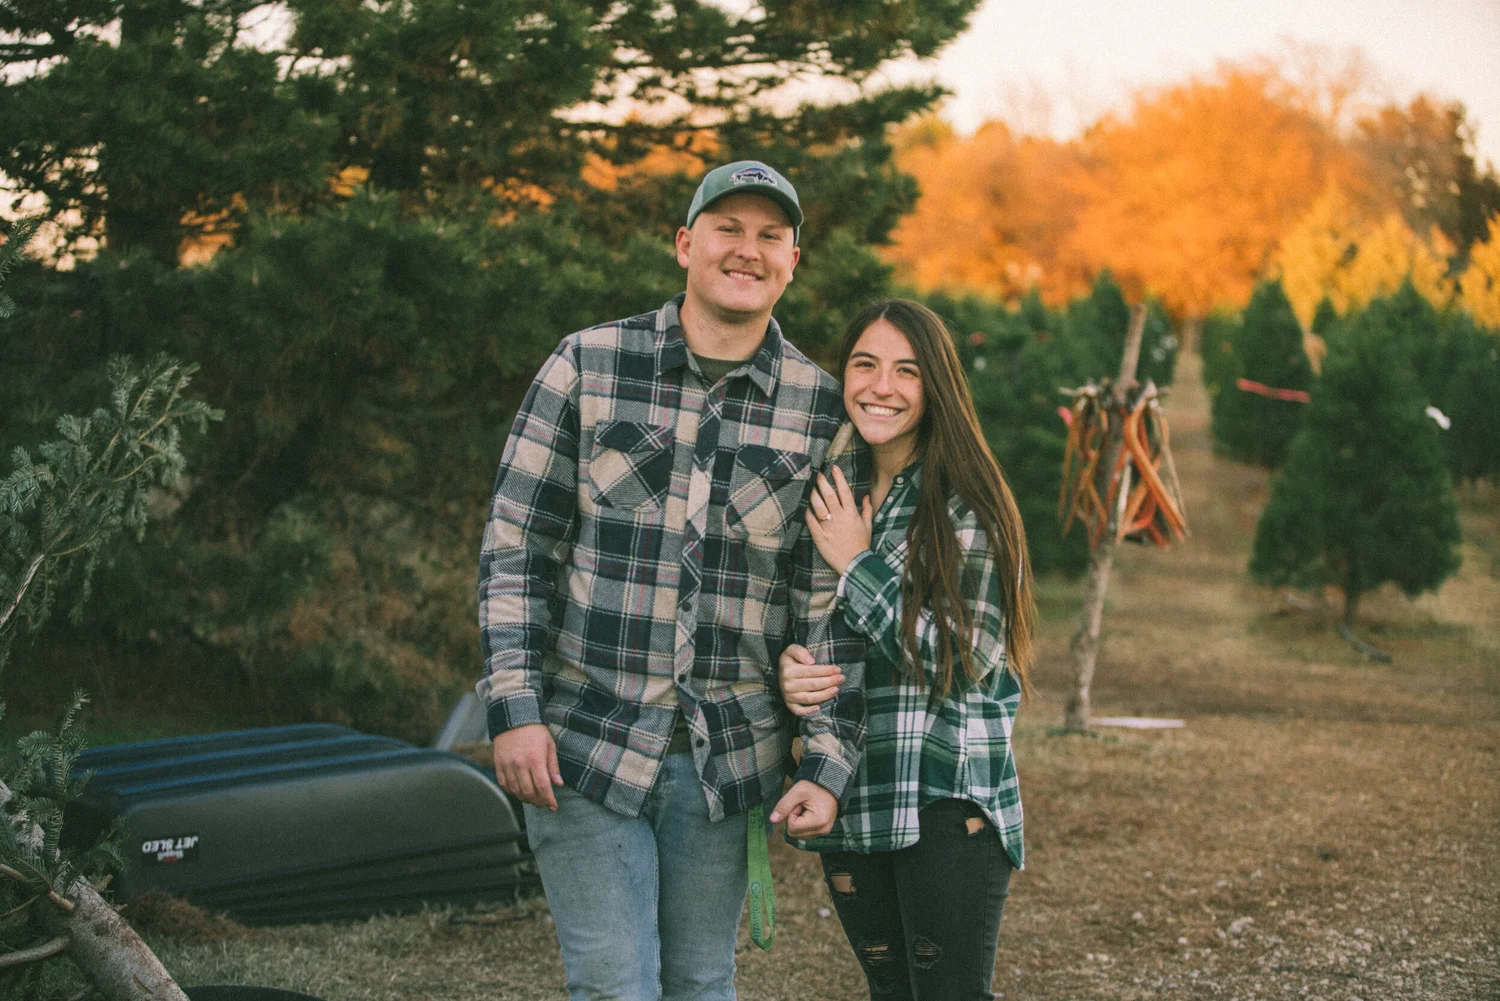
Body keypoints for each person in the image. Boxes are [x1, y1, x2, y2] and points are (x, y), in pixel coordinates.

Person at [477, 160, 868, 1001]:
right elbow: (517, 546)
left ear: (794, 262)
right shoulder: (586, 364)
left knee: (699, 982)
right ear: (685, 243)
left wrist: (826, 757)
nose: (748, 250)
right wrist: (513, 712)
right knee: (616, 986)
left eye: (771, 236)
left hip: (726, 763)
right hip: (582, 740)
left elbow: (823, 609)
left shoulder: (819, 409)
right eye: (729, 228)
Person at [779, 298, 1036, 1001]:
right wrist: (789, 669)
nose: (880, 387)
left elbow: (968, 658)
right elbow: (808, 624)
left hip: (944, 801)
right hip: (857, 795)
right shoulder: (837, 489)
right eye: (864, 365)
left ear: (936, 386)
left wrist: (859, 564)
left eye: (906, 370)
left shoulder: (967, 500)